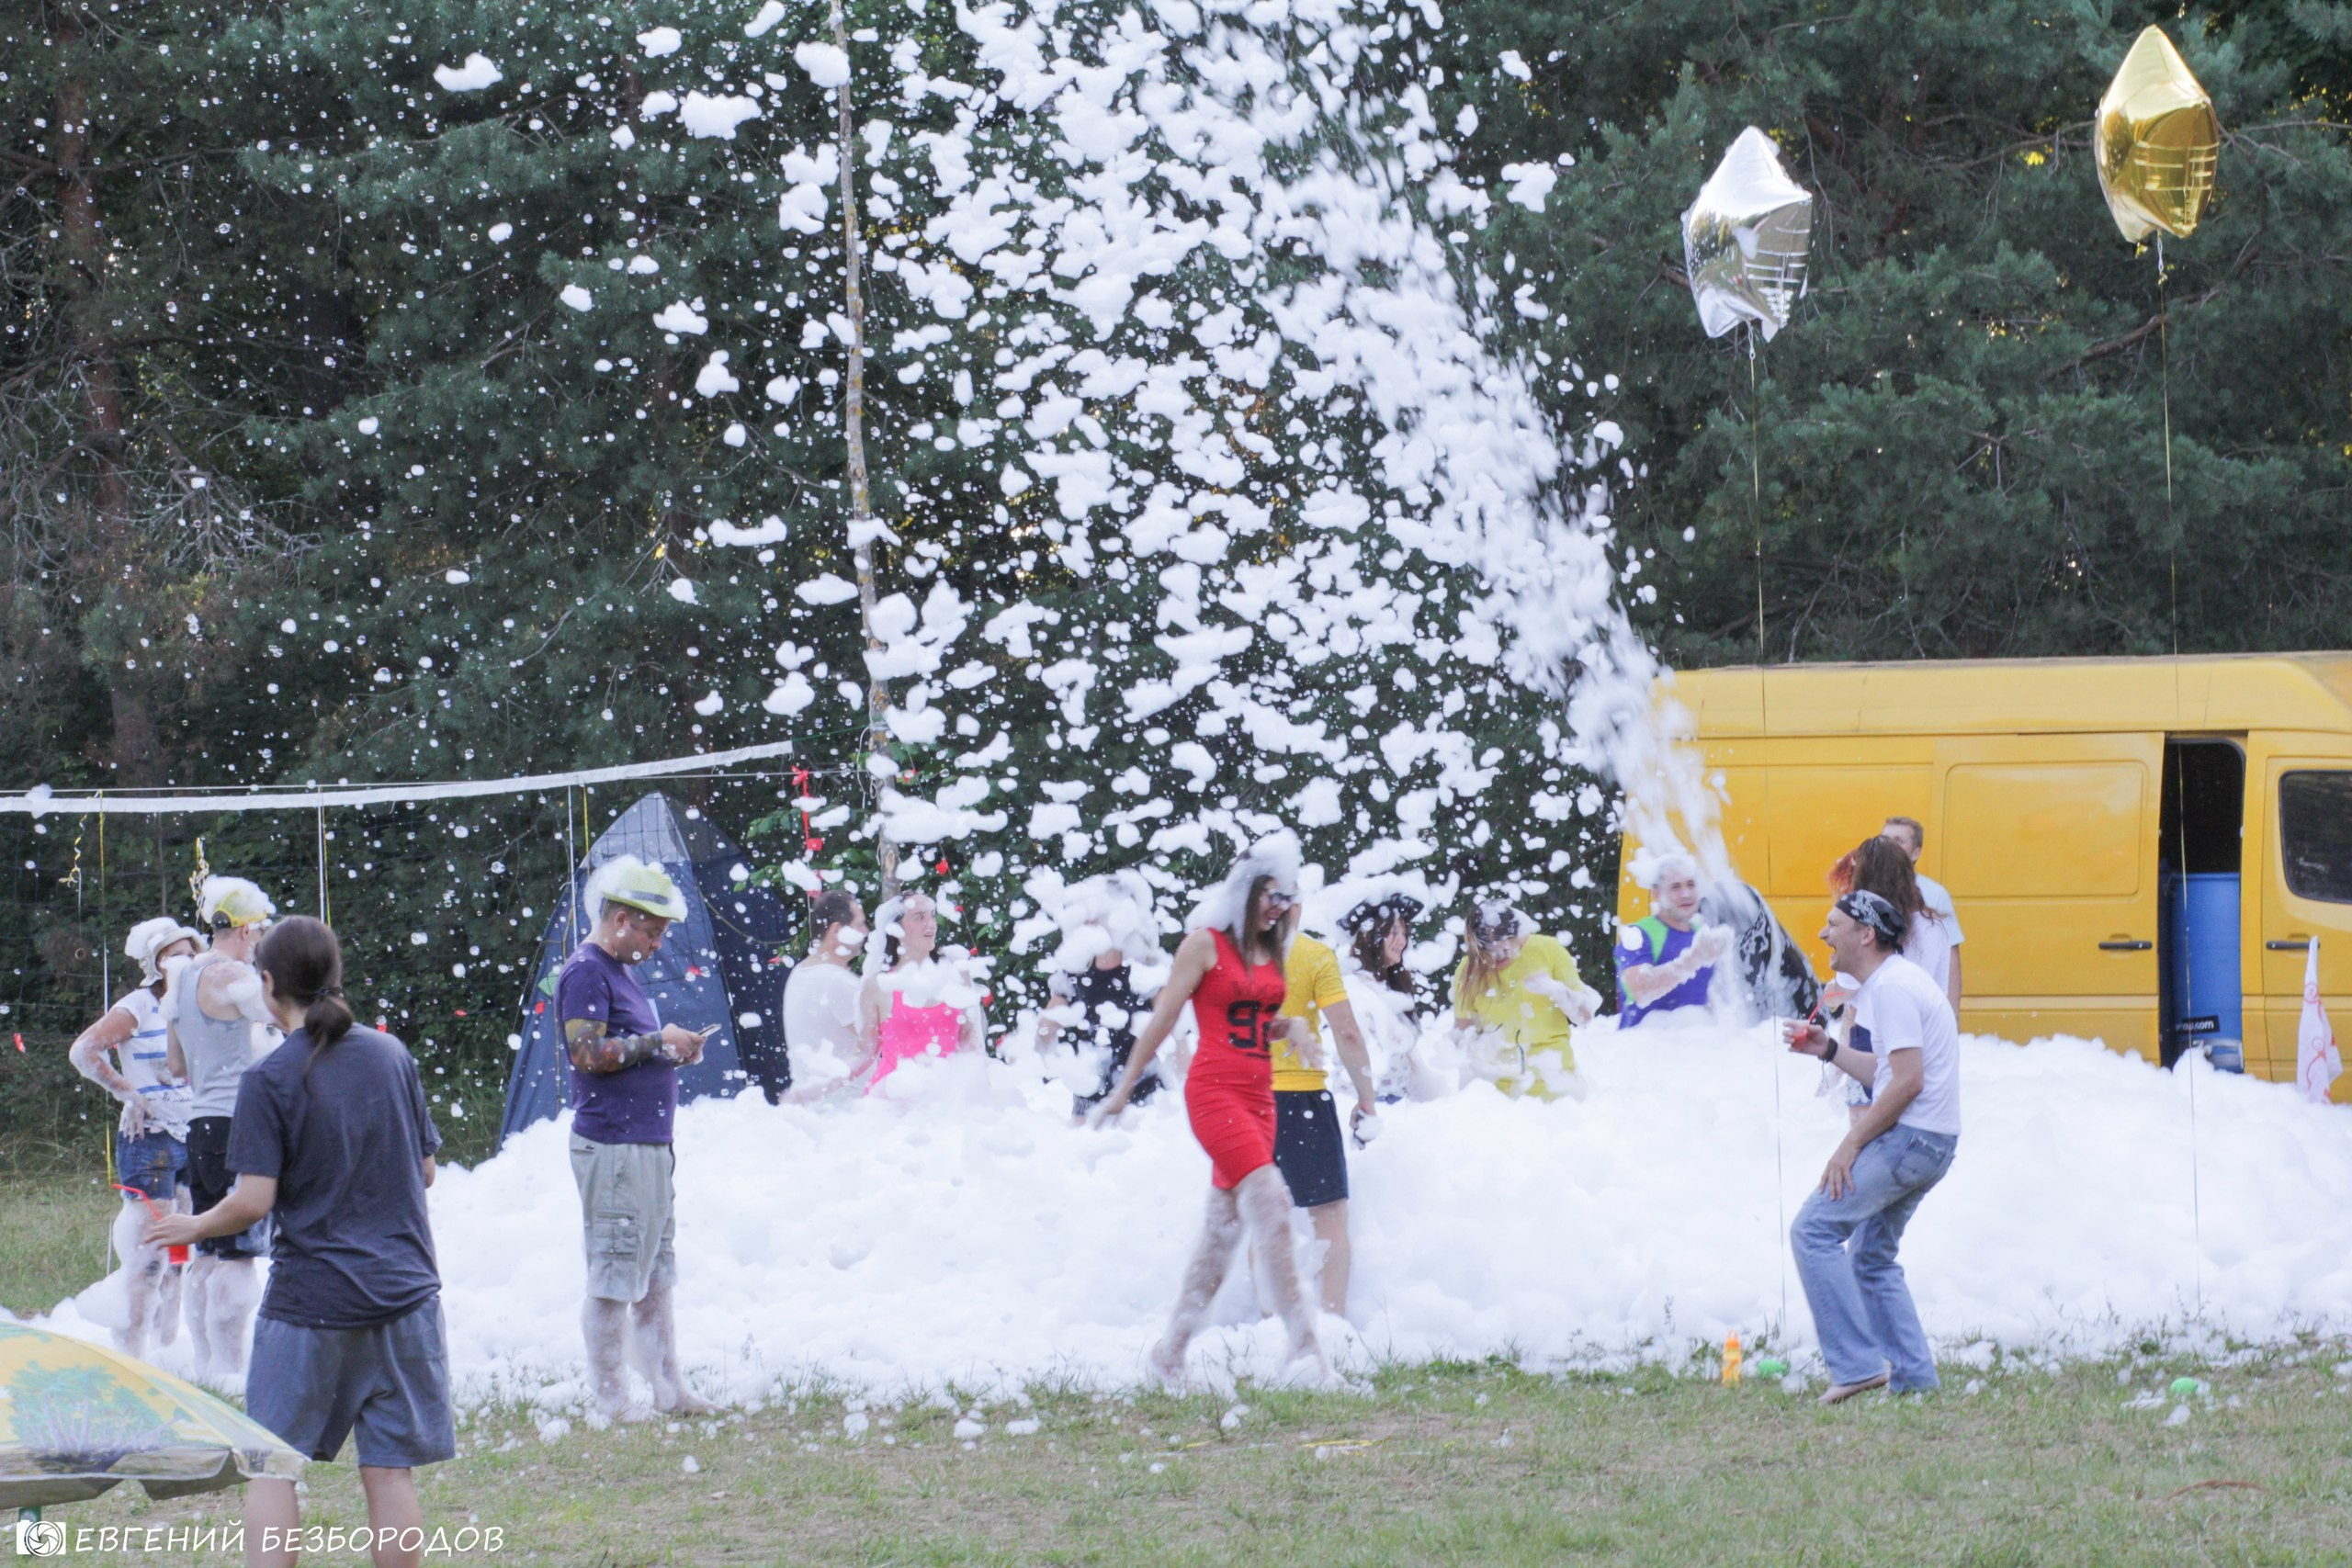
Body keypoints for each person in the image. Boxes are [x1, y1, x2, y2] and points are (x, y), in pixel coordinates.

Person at [150, 916, 450, 1568]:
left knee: (273, 1465)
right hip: (405, 1296)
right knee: (391, 1471)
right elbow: (424, 1170)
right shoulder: (391, 1054)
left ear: (266, 984)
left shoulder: (268, 1078)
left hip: (312, 1303)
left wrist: (194, 1224)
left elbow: (254, 1200)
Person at [1091, 837, 1330, 1389]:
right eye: (1272, 895)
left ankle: (1171, 1351)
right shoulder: (1204, 945)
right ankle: (1305, 1344)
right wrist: (1124, 1087)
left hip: (1261, 1097)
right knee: (1271, 1197)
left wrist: (1291, 1026)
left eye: (1287, 897)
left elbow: (1251, 1018)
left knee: (1222, 1231)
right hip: (1214, 1092)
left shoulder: (1275, 951)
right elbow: (1165, 1020)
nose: (1279, 907)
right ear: (1246, 891)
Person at [1782, 889, 1962, 1404]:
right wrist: (1830, 1048)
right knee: (1871, 1256)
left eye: (1832, 924)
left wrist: (1850, 1145)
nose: (1822, 934)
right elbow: (1889, 1074)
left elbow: (1907, 1084)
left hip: (1912, 1139)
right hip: (1934, 1142)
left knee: (1813, 1230)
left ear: (1865, 934)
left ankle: (1858, 1366)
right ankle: (1914, 1381)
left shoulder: (1893, 990)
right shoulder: (1891, 985)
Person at [558, 854, 718, 1419]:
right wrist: (655, 1043)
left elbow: (624, 1051)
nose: (655, 946)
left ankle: (670, 1391)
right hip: (615, 1147)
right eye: (650, 932)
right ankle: (613, 1400)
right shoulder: (586, 971)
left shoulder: (620, 972)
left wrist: (670, 1049)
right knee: (615, 1272)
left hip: (647, 1144)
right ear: (621, 920)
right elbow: (586, 1054)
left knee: (654, 1275)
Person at [69, 916, 204, 1359]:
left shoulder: (201, 1003)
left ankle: (169, 1352)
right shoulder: (141, 1005)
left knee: (182, 1256)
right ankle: (132, 1359)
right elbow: (84, 1050)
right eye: (175, 954)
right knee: (149, 1259)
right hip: (149, 1139)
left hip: (195, 1135)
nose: (187, 961)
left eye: (191, 952)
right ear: (156, 963)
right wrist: (128, 1092)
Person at [164, 874, 279, 1386]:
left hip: (200, 1125)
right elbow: (289, 1022)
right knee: (238, 1252)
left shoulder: (183, 978)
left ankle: (210, 1367)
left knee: (208, 1249)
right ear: (247, 929)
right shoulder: (233, 974)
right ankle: (233, 1373)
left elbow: (175, 1066)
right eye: (262, 930)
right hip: (238, 1121)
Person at [1272, 922, 1379, 1316]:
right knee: (1329, 1214)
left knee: (1264, 1215)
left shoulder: (1232, 949)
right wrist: (1366, 1096)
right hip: (1300, 1096)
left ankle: (1268, 1326)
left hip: (1245, 1098)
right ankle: (1332, 1320)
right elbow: (1346, 1031)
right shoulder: (1312, 954)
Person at [1037, 871, 1165, 1122]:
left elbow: (1170, 1021)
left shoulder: (1143, 970)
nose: (1088, 918)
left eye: (1097, 911)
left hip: (1142, 1089)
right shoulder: (1075, 970)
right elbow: (1050, 1021)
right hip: (1091, 1087)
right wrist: (1029, 1043)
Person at [1451, 900, 1600, 1098]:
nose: (1498, 957)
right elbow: (1463, 1033)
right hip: (1498, 1094)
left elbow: (1585, 1017)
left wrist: (1558, 992)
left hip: (1558, 1086)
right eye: (1490, 951)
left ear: (1518, 935)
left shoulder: (1548, 950)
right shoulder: (1468, 970)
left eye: (1505, 948)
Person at [854, 891, 984, 1089]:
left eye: (931, 915)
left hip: (945, 1097)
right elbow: (864, 1052)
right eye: (919, 917)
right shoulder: (878, 986)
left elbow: (970, 1041)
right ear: (896, 929)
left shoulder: (956, 973)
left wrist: (980, 1092)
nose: (931, 923)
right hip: (891, 1099)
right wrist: (821, 1085)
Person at [1614, 854, 1733, 1028]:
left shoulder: (1702, 933)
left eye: (1691, 885)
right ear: (1656, 893)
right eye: (1675, 887)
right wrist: (1693, 959)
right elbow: (1641, 991)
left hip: (1698, 1048)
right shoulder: (1638, 935)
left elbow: (1709, 1000)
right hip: (1644, 1049)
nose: (1686, 894)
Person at [1340, 894, 1434, 1103]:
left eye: (1404, 932)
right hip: (1366, 1102)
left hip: (1397, 1102)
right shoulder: (1355, 987)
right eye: (1393, 933)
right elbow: (1350, 1047)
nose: (1402, 940)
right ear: (1367, 936)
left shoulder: (1390, 986)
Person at [782, 889, 865, 1085]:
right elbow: (885, 1037)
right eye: (859, 925)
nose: (865, 932)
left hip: (813, 1100)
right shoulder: (836, 981)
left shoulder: (800, 972)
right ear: (837, 931)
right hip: (848, 1105)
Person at [1884, 816, 1964, 1010]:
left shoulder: (1935, 895)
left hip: (1921, 1006)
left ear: (1915, 853)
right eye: (1885, 840)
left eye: (1899, 841)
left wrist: (1952, 1015)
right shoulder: (1864, 891)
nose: (1889, 848)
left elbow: (1951, 958)